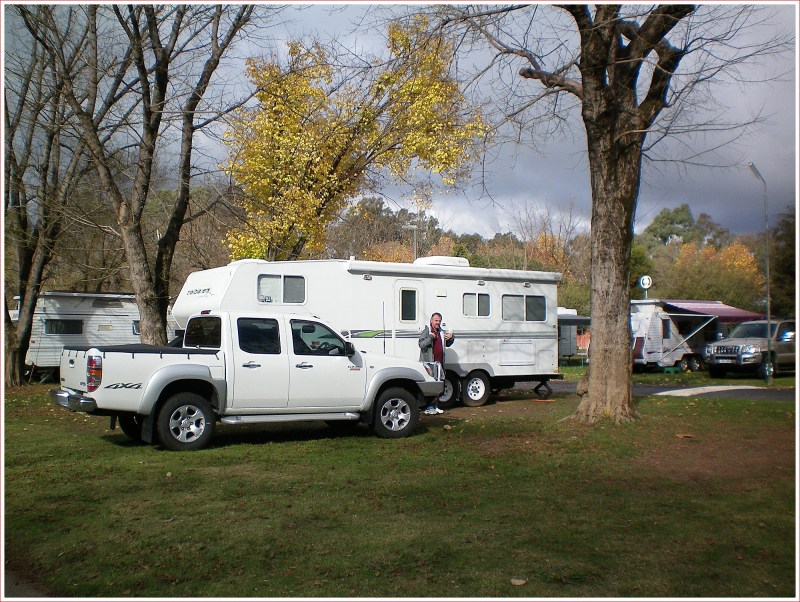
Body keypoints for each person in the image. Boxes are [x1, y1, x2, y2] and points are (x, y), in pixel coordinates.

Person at [418, 312, 455, 415]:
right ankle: (428, 407)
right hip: (429, 364)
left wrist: (451, 338)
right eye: (436, 320)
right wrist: (431, 337)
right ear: (431, 321)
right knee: (430, 386)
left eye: (439, 321)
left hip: (439, 364)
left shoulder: (441, 332)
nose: (438, 322)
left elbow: (447, 344)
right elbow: (421, 344)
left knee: (438, 386)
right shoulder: (427, 331)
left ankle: (435, 406)